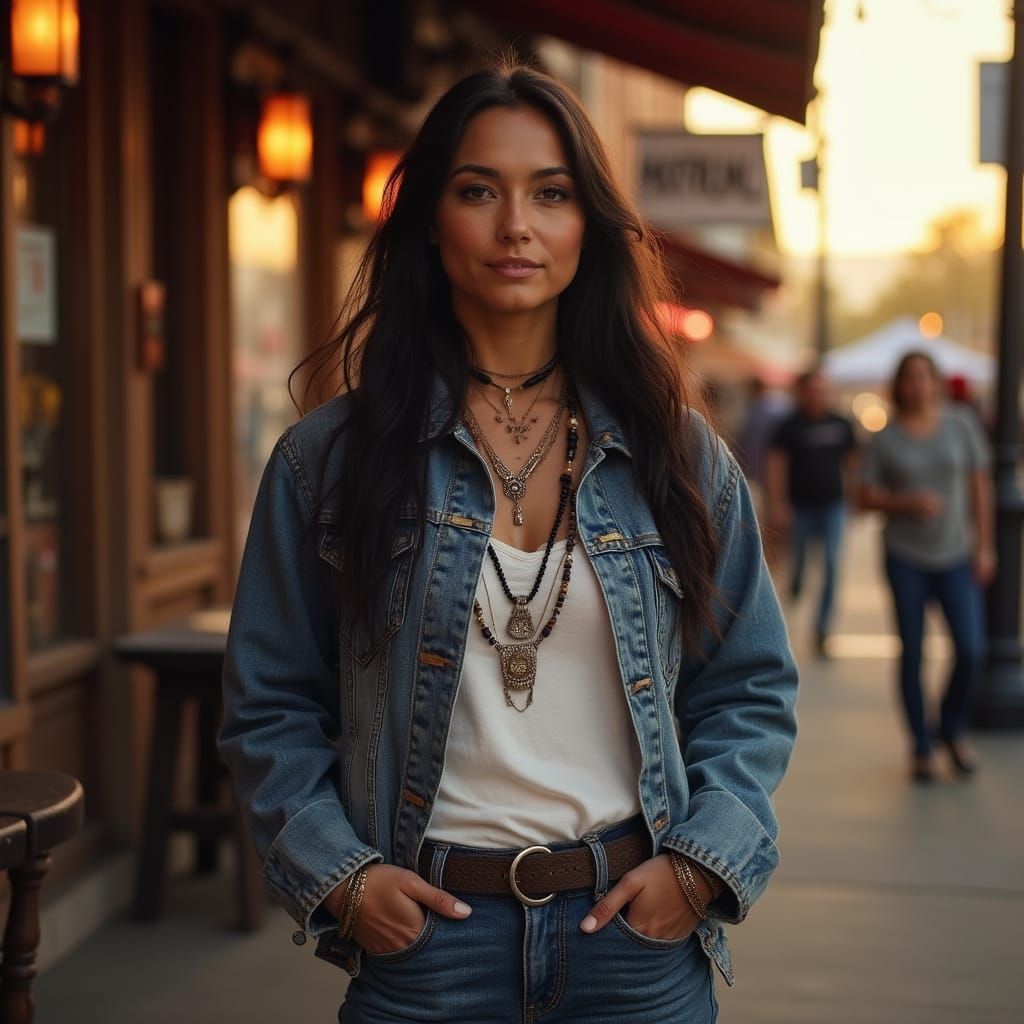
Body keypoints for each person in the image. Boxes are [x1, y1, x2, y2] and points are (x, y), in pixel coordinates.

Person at [219, 62, 797, 1023]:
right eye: (479, 190)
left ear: (588, 227)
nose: (516, 225)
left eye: (552, 194)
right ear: (429, 220)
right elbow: (269, 703)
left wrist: (700, 869)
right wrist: (342, 880)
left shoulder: (678, 454)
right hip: (428, 946)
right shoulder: (329, 461)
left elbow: (750, 685)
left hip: (633, 942)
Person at [859, 351, 995, 783]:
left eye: (925, 377)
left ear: (937, 383)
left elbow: (980, 485)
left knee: (971, 649)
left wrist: (985, 547)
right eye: (910, 378)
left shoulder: (961, 424)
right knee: (913, 651)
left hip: (956, 553)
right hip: (905, 557)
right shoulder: (886, 437)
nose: (918, 385)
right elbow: (863, 498)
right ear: (899, 385)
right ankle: (920, 745)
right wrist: (906, 502)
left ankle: (951, 729)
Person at [766, 368, 858, 657]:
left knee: (831, 564)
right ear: (802, 392)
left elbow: (853, 462)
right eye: (813, 389)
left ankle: (822, 630)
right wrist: (779, 503)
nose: (819, 395)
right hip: (800, 508)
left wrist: (854, 497)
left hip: (833, 506)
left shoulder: (841, 424)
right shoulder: (789, 426)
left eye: (823, 389)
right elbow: (776, 465)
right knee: (798, 563)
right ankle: (792, 595)